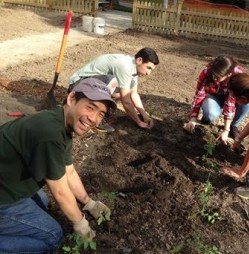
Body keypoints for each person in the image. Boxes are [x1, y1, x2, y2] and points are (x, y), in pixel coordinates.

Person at [0, 78, 116, 253]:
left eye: (101, 114)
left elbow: (68, 171)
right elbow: (60, 192)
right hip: (3, 198)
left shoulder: (60, 120)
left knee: (44, 201)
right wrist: (80, 222)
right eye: (90, 107)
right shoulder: (50, 134)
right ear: (71, 99)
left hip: (6, 181)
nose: (93, 119)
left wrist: (89, 203)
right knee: (53, 236)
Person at [69, 47, 160, 131]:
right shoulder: (125, 66)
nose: (149, 73)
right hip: (78, 85)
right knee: (113, 82)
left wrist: (145, 115)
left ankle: (96, 106)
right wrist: (139, 122)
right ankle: (97, 117)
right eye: (148, 68)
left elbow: (133, 94)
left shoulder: (133, 67)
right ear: (139, 60)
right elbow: (126, 101)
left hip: (92, 84)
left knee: (124, 90)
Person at [183, 56, 249, 144]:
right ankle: (206, 118)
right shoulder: (207, 72)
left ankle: (233, 125)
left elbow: (230, 103)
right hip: (214, 96)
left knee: (247, 103)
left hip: (234, 98)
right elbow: (199, 94)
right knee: (211, 114)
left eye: (218, 77)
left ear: (229, 75)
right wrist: (193, 118)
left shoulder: (237, 76)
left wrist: (226, 130)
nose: (214, 79)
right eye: (213, 75)